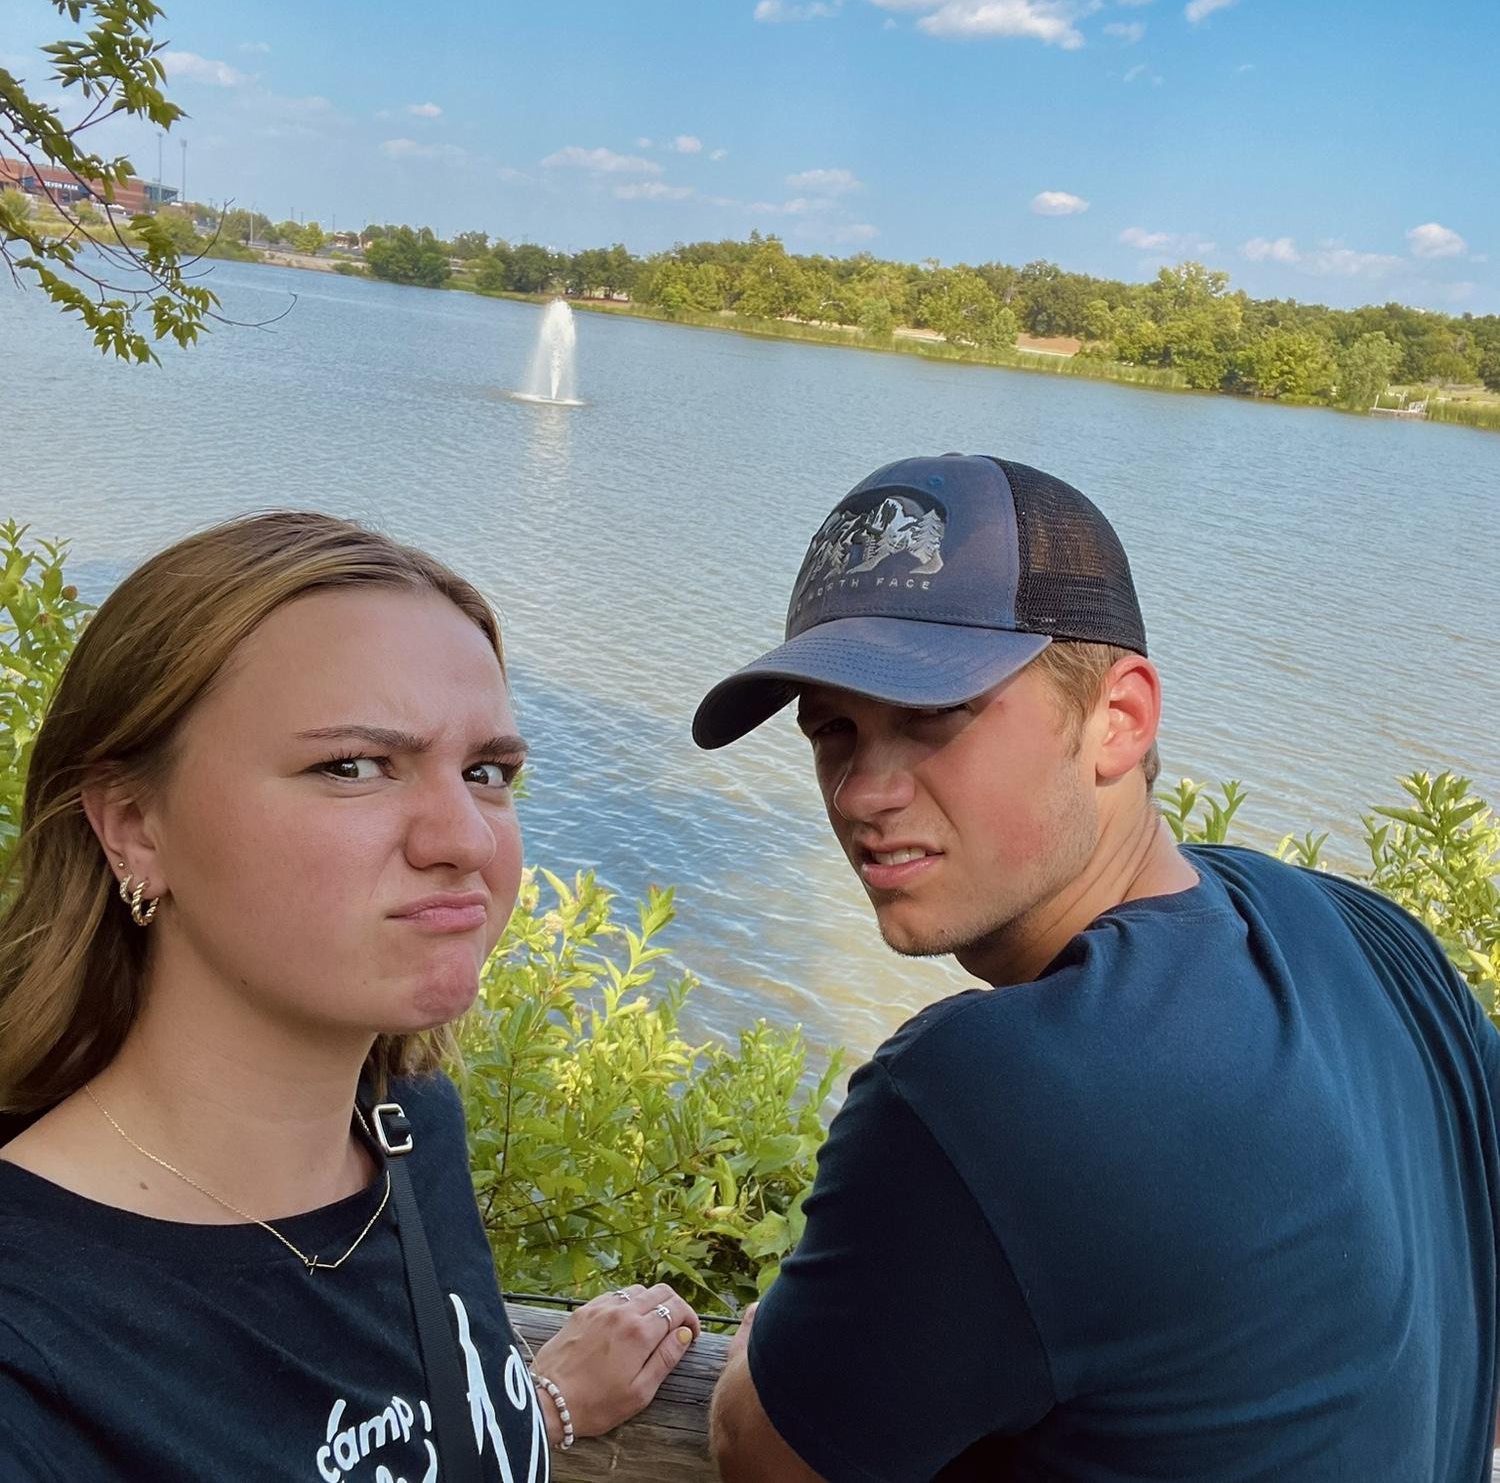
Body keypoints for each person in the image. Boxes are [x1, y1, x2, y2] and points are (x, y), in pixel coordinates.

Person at [694, 453, 1500, 1481]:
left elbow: (765, 1454)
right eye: (833, 732)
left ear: (1119, 719)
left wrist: (765, 1346)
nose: (861, 792)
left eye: (933, 716)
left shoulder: (985, 1088)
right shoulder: (1369, 936)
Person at [0, 513, 700, 1481]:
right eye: (352, 767)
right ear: (134, 825)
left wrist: (530, 1408)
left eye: (488, 772)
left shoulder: (409, 1136)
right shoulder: (32, 1346)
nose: (463, 839)